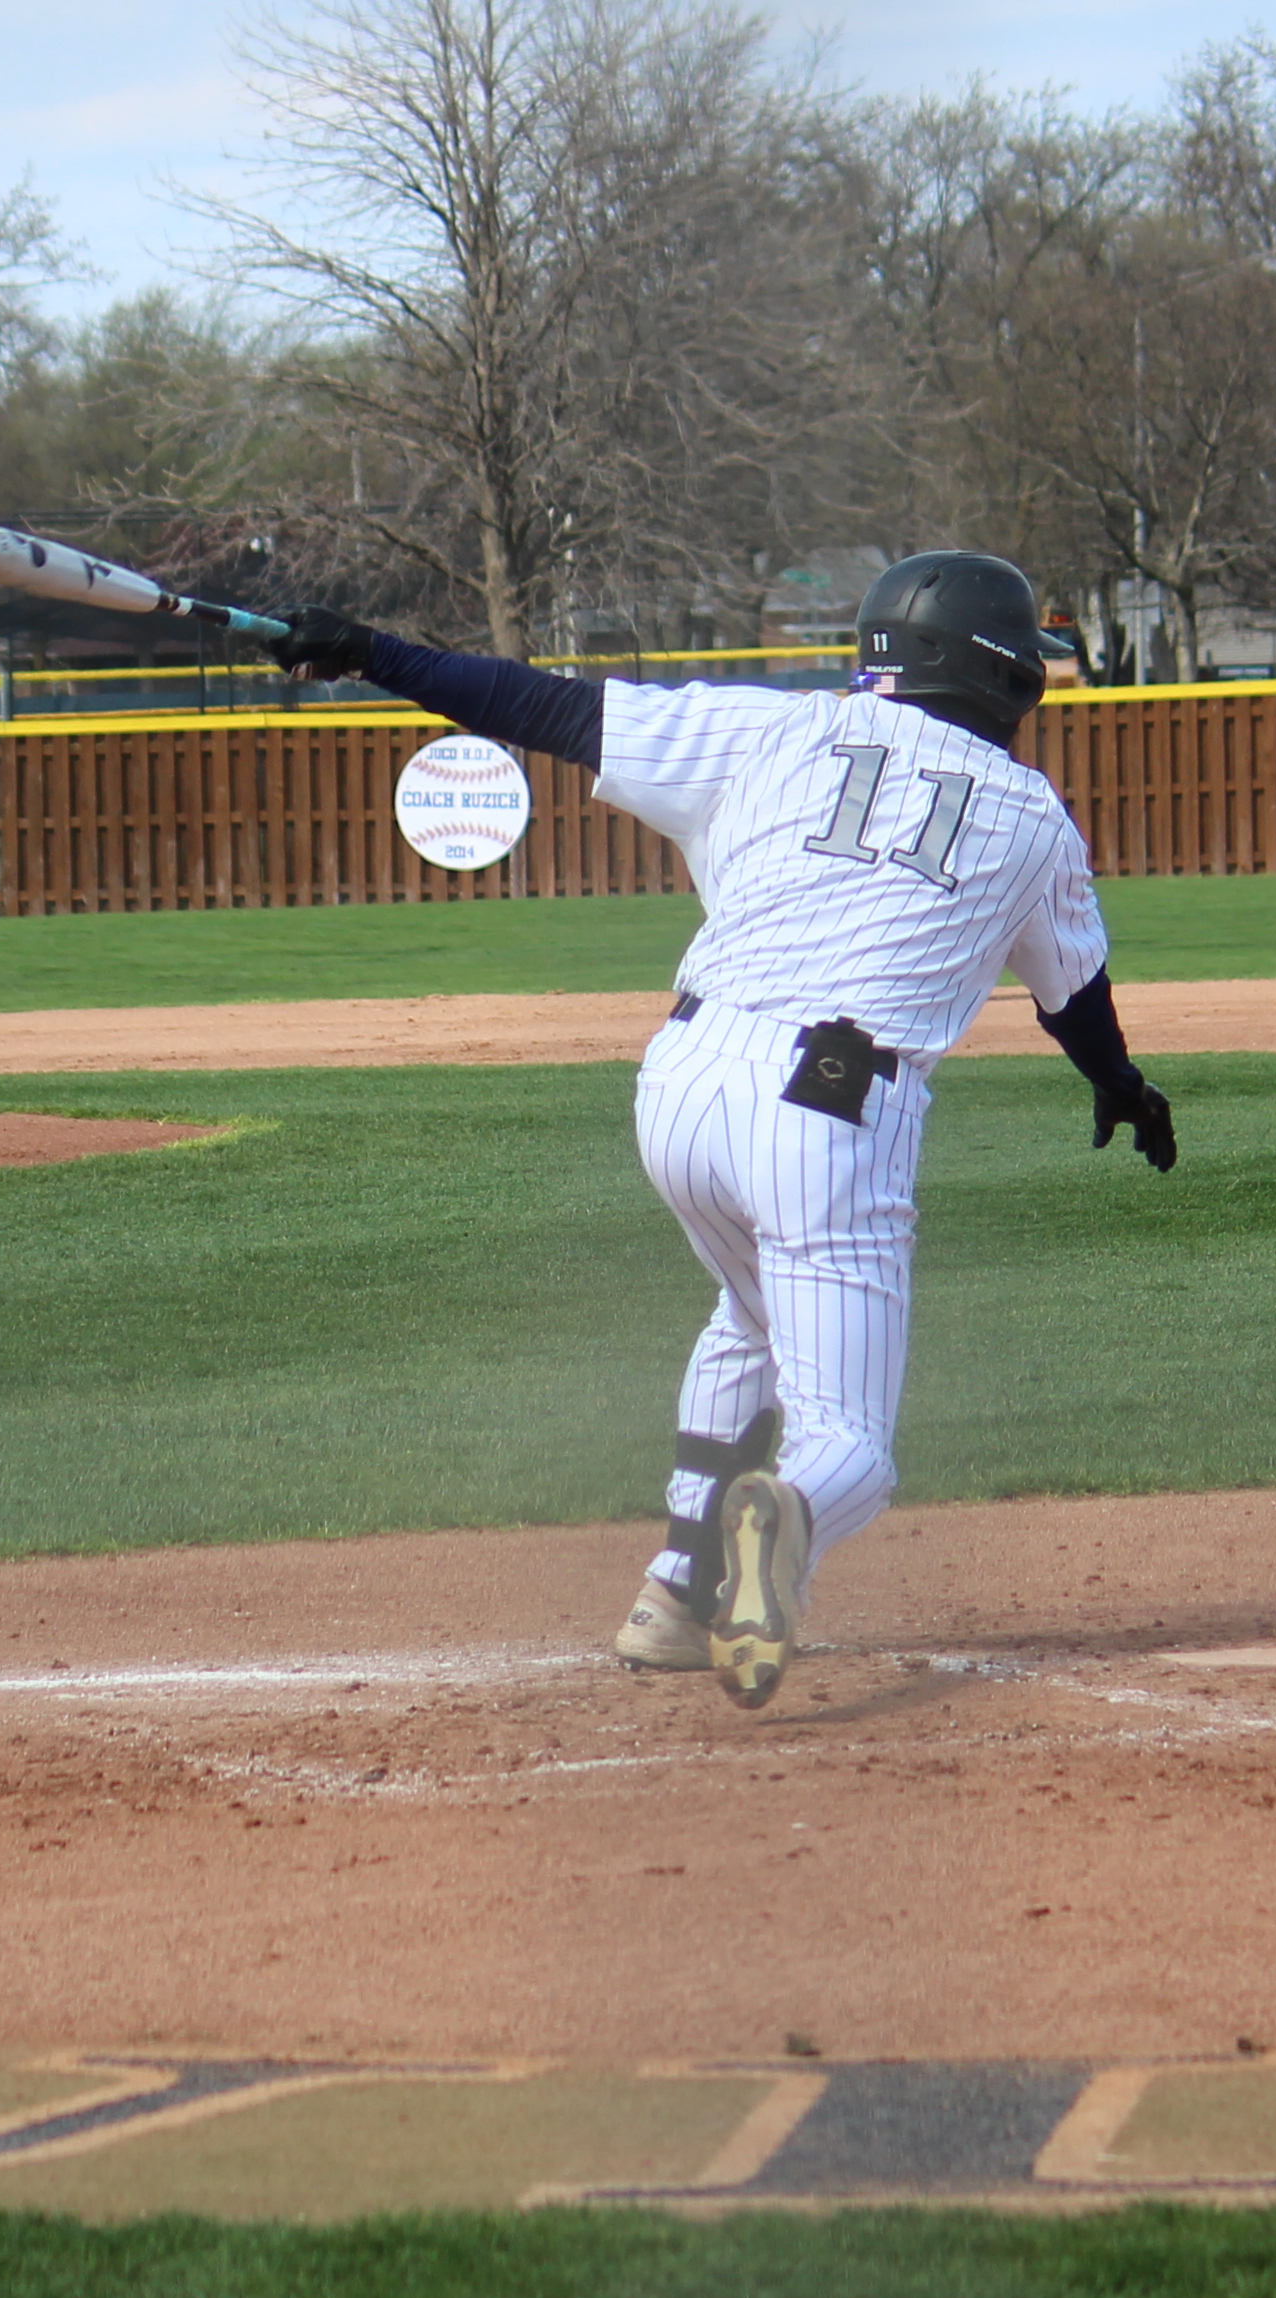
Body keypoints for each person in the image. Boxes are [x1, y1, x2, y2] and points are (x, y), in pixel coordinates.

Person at [264, 553, 1177, 1706]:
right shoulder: (1031, 815)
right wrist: (1121, 1083)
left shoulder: (766, 730)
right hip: (835, 1101)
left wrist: (373, 653)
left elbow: (540, 706)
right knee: (850, 1443)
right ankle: (780, 1524)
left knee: (749, 1311)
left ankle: (675, 1591)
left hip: (682, 1080)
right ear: (1004, 675)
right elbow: (1073, 999)